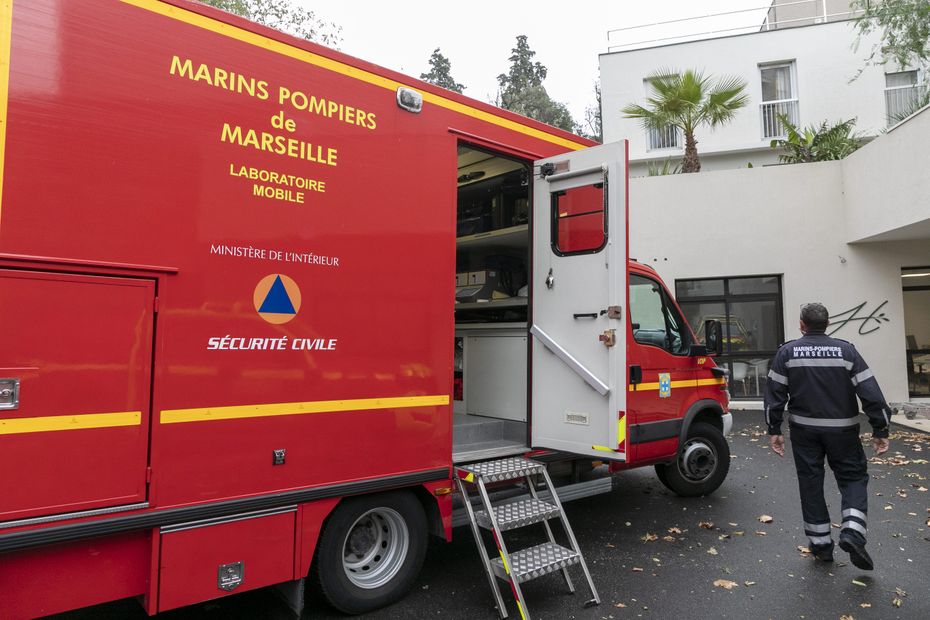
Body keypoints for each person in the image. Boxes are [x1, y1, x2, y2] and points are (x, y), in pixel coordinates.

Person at [763, 302, 891, 570]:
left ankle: (821, 546)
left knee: (810, 484)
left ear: (801, 324)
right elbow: (870, 392)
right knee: (853, 477)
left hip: (804, 432)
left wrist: (774, 430)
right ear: (828, 323)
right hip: (843, 432)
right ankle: (853, 533)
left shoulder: (787, 352)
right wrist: (880, 429)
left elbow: (774, 395)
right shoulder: (846, 351)